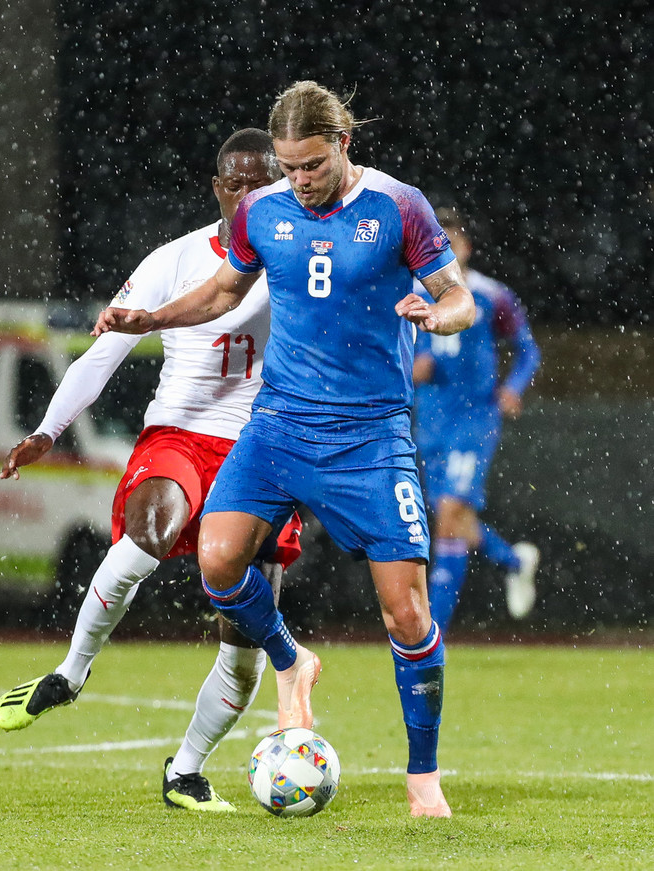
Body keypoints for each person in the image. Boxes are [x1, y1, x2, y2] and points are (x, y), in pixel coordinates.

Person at [94, 81, 476, 818]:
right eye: (288, 166)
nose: (298, 180)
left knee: (406, 613)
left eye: (311, 165)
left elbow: (457, 295)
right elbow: (222, 292)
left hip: (370, 435)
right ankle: (292, 662)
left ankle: (422, 774)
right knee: (217, 559)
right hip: (279, 425)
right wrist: (150, 319)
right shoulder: (262, 211)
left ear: (344, 144)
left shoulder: (398, 206)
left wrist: (439, 316)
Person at [0, 128, 301, 813]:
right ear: (217, 189)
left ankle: (185, 771)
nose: (248, 196)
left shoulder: (304, 260)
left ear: (282, 187)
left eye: (262, 184)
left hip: (262, 450)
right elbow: (103, 352)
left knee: (245, 645)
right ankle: (71, 672)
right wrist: (47, 430)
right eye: (235, 184)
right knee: (150, 532)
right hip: (180, 435)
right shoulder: (174, 260)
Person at [412, 208, 541, 632]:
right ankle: (515, 560)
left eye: (451, 242)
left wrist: (512, 388)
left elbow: (528, 349)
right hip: (430, 422)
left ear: (466, 247)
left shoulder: (490, 295)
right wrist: (412, 366)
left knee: (450, 516)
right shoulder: (412, 294)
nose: (444, 250)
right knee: (454, 521)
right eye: (437, 242)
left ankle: (433, 634)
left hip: (474, 418)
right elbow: (397, 351)